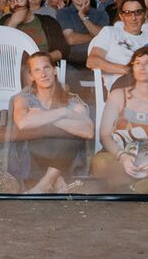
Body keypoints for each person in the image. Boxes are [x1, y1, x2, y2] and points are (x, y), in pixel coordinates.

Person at [90, 47, 148, 194]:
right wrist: (123, 157)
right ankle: (144, 185)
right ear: (132, 68)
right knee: (99, 163)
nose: (142, 67)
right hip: (121, 157)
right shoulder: (118, 95)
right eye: (137, 63)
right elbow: (105, 135)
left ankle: (137, 187)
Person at [13, 51, 94, 194]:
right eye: (37, 70)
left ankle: (44, 184)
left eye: (46, 68)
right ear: (31, 76)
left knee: (72, 137)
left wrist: (45, 117)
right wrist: (64, 113)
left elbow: (88, 131)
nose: (43, 74)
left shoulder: (71, 100)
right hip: (34, 161)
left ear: (55, 70)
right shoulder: (25, 99)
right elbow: (23, 123)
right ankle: (56, 178)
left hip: (67, 159)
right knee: (38, 132)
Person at [3, 0, 67, 61]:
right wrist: (12, 24)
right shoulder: (4, 21)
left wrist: (41, 60)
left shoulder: (48, 21)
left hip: (41, 68)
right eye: (11, 0)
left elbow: (63, 49)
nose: (15, 3)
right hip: (12, 68)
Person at [57, 0, 109, 68]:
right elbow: (70, 39)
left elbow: (104, 38)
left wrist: (83, 16)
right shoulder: (63, 13)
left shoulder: (101, 14)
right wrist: (95, 36)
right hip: (71, 65)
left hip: (99, 64)